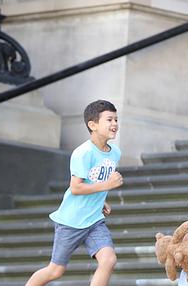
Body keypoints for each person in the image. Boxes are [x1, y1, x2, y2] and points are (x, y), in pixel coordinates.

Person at [25, 100, 124, 286]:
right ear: (92, 125)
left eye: (116, 119)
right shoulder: (83, 153)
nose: (115, 124)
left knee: (109, 259)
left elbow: (93, 181)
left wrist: (100, 200)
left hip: (94, 221)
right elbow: (76, 187)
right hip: (71, 222)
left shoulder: (115, 153)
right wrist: (107, 186)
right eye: (109, 119)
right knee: (55, 270)